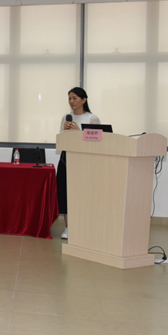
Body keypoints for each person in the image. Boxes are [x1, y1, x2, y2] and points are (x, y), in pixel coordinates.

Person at [56, 87, 101, 240]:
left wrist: (79, 132)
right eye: (69, 98)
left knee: (83, 193)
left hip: (85, 160)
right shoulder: (66, 118)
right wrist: (65, 131)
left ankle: (85, 225)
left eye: (75, 98)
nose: (71, 101)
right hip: (67, 158)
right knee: (66, 193)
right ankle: (68, 227)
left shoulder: (92, 118)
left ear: (84, 100)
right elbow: (60, 141)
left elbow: (97, 142)